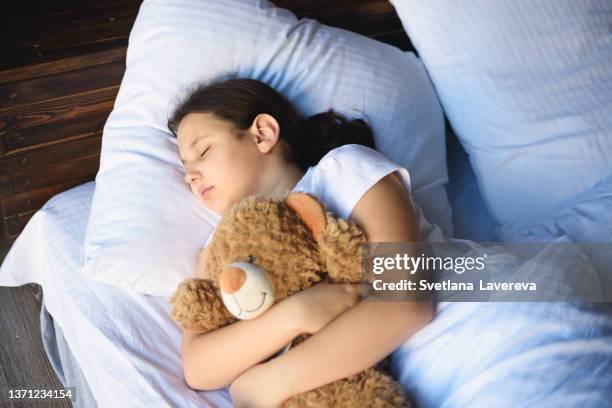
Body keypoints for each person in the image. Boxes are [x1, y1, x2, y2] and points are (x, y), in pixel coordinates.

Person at [167, 76, 433, 407]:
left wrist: (271, 382)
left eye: (202, 151)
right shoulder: (219, 250)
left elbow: (405, 303)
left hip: (451, 341)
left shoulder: (343, 170)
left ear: (262, 133)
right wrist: (295, 315)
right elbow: (199, 367)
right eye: (185, 167)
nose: (190, 175)